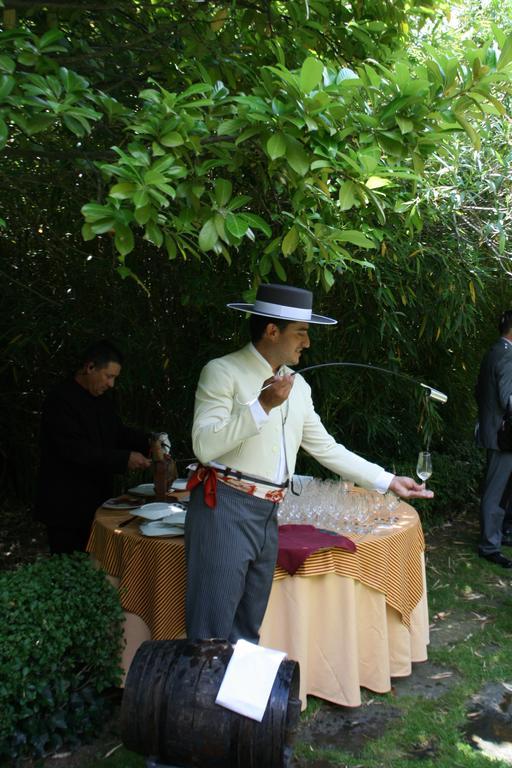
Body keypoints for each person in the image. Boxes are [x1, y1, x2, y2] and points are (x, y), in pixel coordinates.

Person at [184, 283, 433, 643]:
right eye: (301, 332)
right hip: (224, 508)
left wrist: (388, 480)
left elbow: (327, 448)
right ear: (272, 331)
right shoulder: (222, 372)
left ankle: (235, 699)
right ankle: (200, 697)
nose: (307, 342)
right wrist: (262, 405)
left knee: (247, 627)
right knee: (211, 627)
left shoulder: (298, 387)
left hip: (270, 512)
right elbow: (204, 446)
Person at [34, 340, 152, 554]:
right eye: (109, 376)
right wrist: (124, 459)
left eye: (114, 378)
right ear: (89, 367)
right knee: (69, 565)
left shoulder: (102, 400)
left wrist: (150, 441)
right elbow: (75, 451)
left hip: (99, 501)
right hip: (65, 504)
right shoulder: (60, 400)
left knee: (98, 563)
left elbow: (117, 433)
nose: (111, 384)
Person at [475, 310, 512, 568]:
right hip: (503, 435)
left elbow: (479, 392)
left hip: (495, 430)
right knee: (496, 491)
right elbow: (508, 399)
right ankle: (489, 546)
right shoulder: (507, 354)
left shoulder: (494, 351)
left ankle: (501, 534)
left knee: (503, 489)